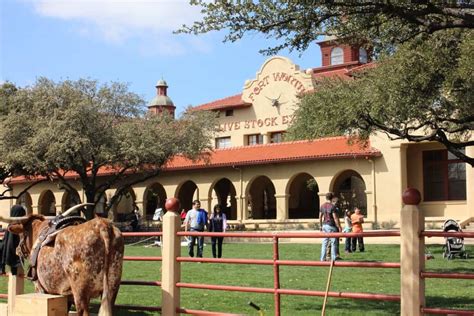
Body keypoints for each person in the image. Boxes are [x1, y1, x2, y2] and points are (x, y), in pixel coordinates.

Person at [0, 205, 26, 275]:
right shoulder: (15, 227)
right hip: (15, 259)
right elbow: (10, 245)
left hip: (15, 258)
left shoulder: (11, 225)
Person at [319, 192, 342, 261]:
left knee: (324, 243)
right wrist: (339, 226)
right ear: (332, 198)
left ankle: (322, 258)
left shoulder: (322, 206)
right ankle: (334, 258)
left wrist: (320, 226)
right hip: (331, 225)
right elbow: (335, 218)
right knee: (333, 242)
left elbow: (320, 217)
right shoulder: (332, 206)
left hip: (324, 225)